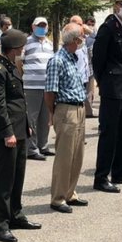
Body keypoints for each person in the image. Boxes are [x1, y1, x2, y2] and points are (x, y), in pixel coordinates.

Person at [0, 29, 42, 242]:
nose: (23, 51)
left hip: (19, 130)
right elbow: (0, 107)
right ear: (13, 49)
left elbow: (20, 100)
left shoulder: (12, 67)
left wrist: (25, 125)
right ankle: (0, 225)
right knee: (3, 180)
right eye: (21, 48)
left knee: (18, 176)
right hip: (5, 133)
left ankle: (15, 215)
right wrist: (8, 133)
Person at [91, 0, 122, 193]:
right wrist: (104, 82)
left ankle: (120, 171)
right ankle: (101, 177)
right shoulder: (108, 27)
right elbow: (98, 59)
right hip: (112, 86)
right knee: (109, 133)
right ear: (116, 6)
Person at [44, 23, 90, 215]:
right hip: (66, 110)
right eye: (81, 37)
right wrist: (52, 113)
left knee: (76, 155)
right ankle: (58, 198)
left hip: (79, 109)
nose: (83, 40)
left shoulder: (73, 58)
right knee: (64, 156)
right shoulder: (57, 60)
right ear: (74, 40)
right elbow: (50, 91)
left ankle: (70, 193)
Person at [20, 17, 54, 159]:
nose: (42, 28)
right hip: (31, 86)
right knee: (31, 118)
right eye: (39, 26)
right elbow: (19, 62)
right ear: (33, 27)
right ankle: (31, 149)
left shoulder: (49, 44)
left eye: (44, 25)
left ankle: (43, 145)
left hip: (46, 86)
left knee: (45, 118)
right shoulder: (26, 42)